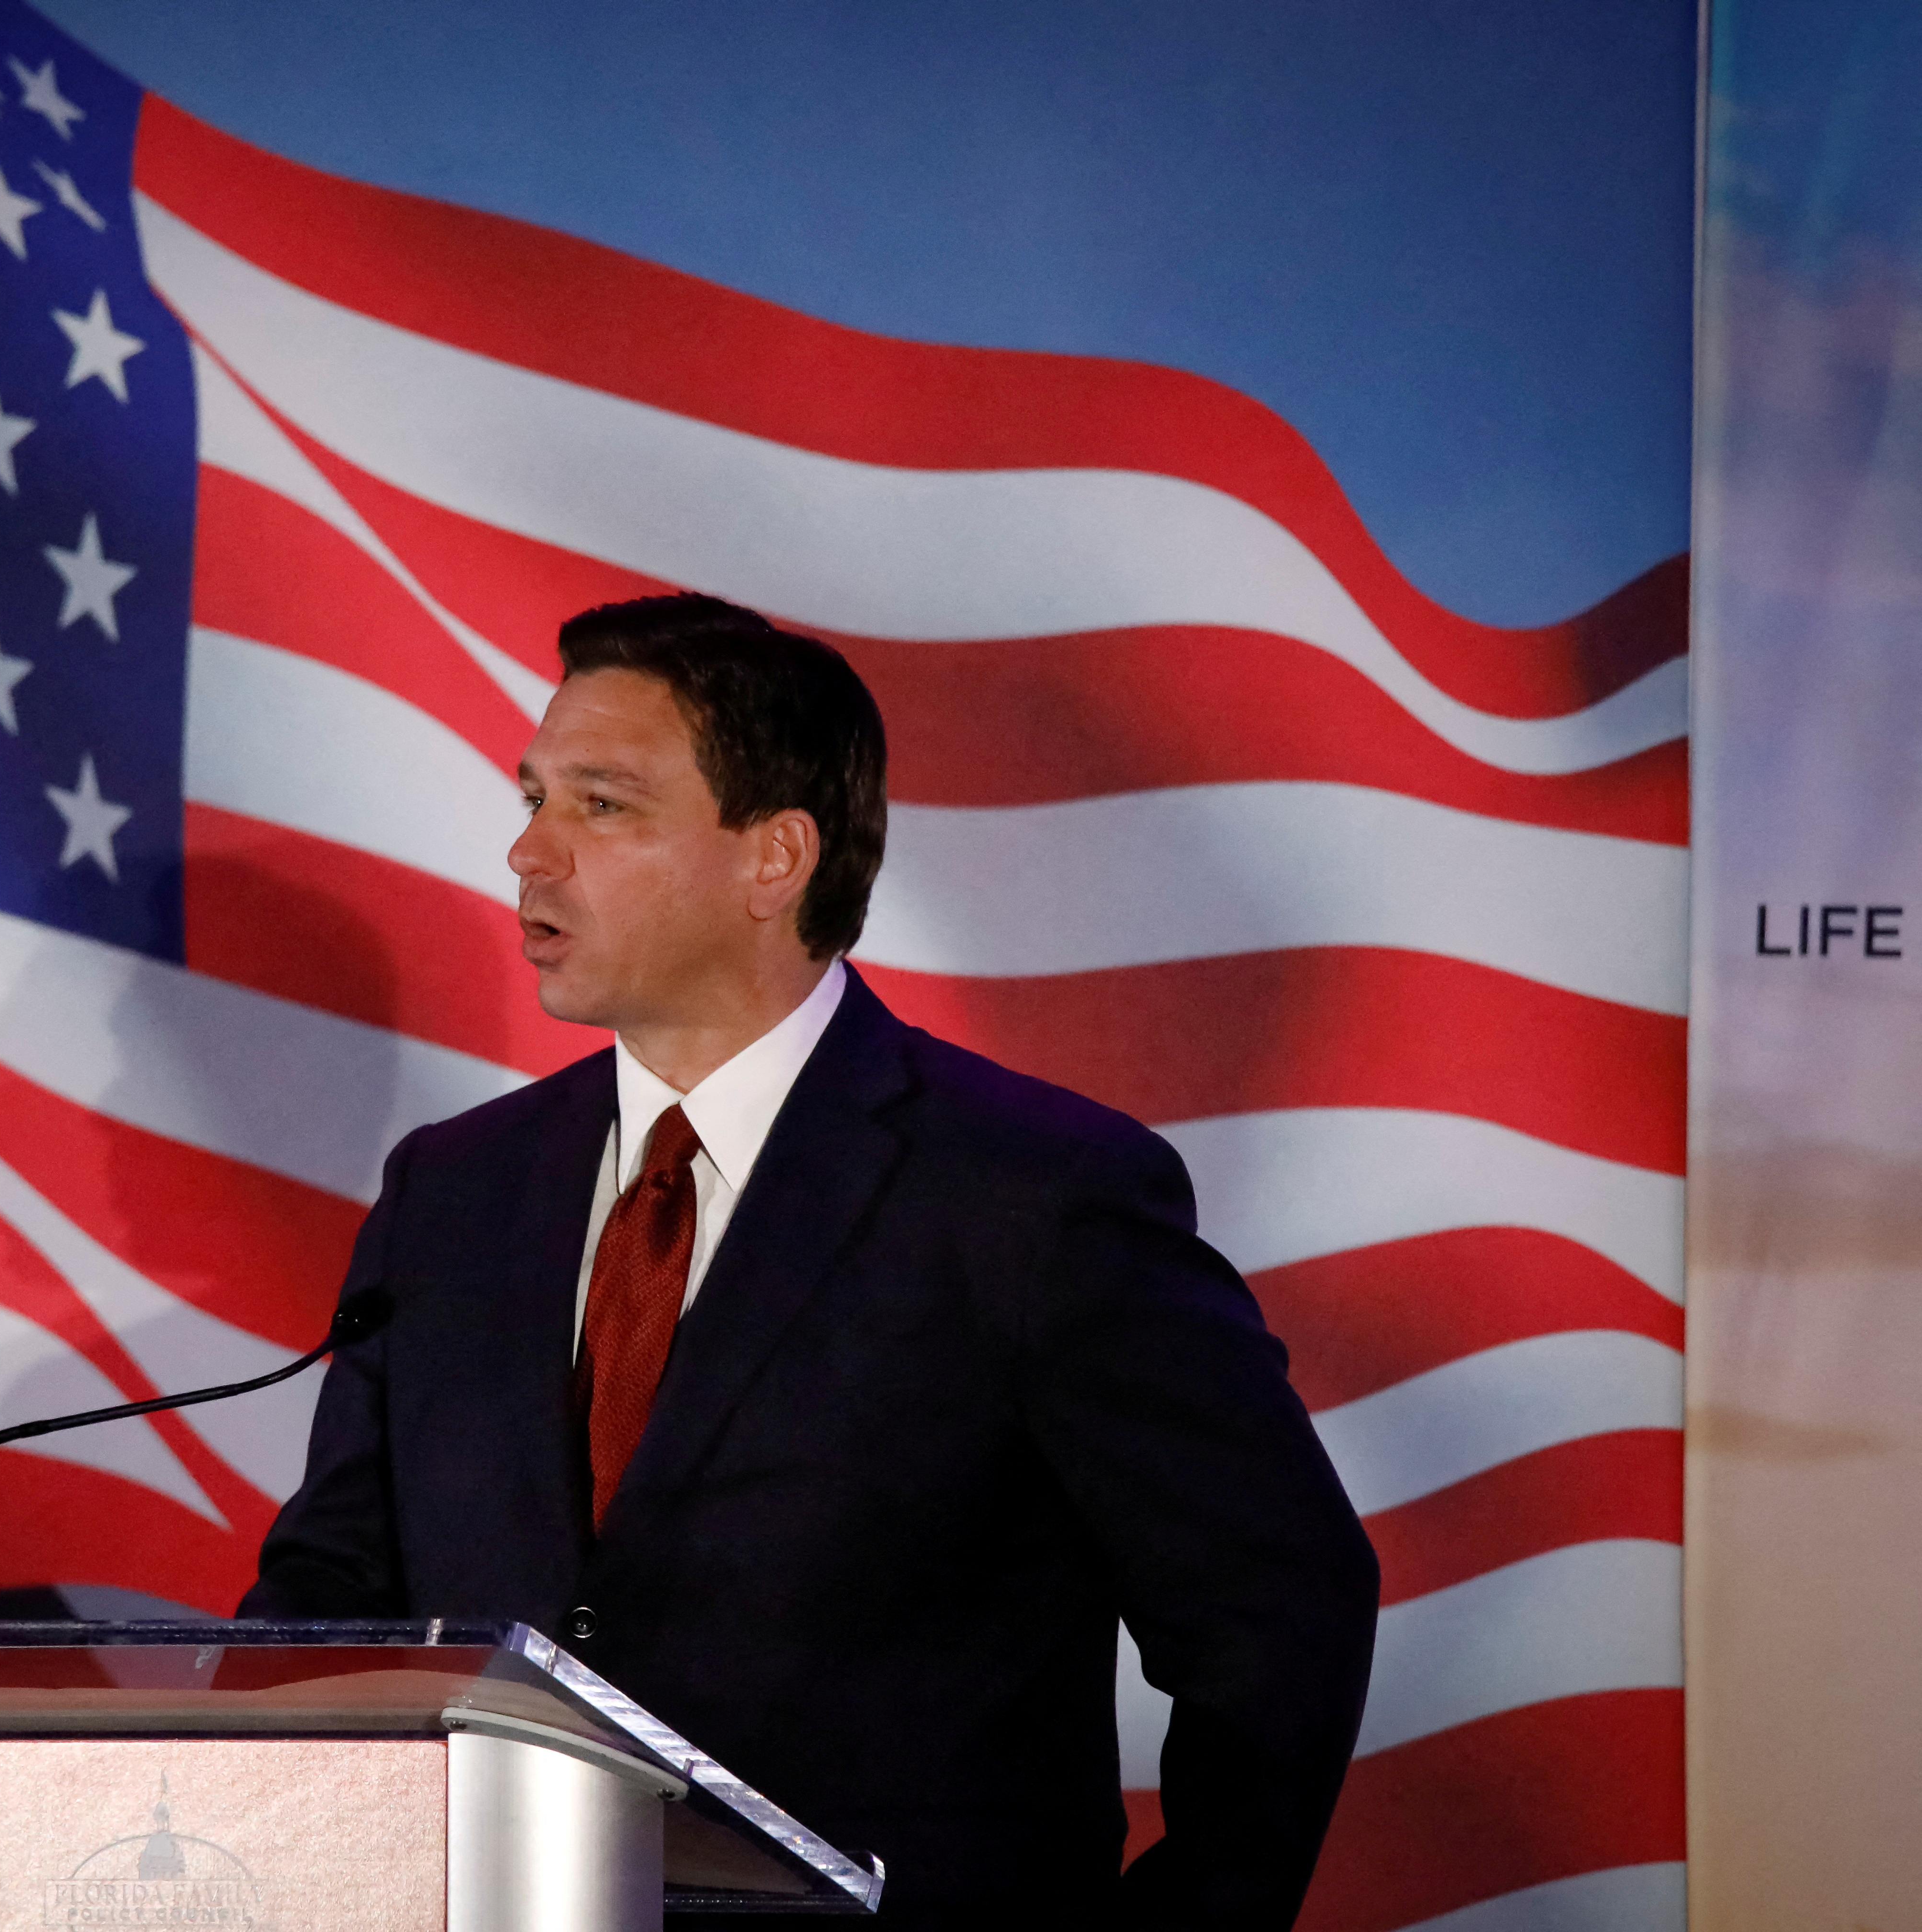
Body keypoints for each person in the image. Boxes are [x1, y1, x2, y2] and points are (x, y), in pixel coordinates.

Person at [241, 594, 1379, 1929]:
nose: (528, 853)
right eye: (534, 797)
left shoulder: (1033, 1195)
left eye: (600, 807)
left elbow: (1277, 1616)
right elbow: (327, 1609)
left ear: (774, 857)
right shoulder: (455, 1191)